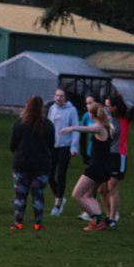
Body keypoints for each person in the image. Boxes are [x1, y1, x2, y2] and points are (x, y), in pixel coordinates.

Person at [59, 103, 120, 231]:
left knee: (77, 194)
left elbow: (87, 129)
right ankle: (99, 223)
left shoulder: (98, 127)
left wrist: (71, 128)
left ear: (92, 114)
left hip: (96, 167)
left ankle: (95, 219)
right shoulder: (110, 127)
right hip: (105, 167)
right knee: (88, 196)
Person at [9, 95, 55, 230]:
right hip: (41, 165)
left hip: (21, 163)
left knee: (20, 195)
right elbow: (51, 145)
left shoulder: (19, 124)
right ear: (42, 108)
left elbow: (13, 144)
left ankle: (18, 223)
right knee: (38, 196)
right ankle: (37, 224)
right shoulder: (47, 125)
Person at [102, 94, 134, 226]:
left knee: (112, 187)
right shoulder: (109, 118)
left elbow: (132, 105)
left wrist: (121, 104)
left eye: (107, 105)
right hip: (107, 155)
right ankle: (109, 214)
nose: (105, 107)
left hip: (119, 155)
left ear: (115, 107)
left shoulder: (125, 119)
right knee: (102, 189)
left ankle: (112, 218)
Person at [46, 88, 79, 216]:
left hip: (65, 147)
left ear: (65, 98)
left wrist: (74, 147)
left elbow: (75, 128)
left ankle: (57, 205)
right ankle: (60, 196)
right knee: (49, 174)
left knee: (61, 175)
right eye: (56, 95)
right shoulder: (52, 109)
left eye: (61, 95)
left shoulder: (72, 110)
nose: (58, 98)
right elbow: (48, 126)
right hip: (53, 146)